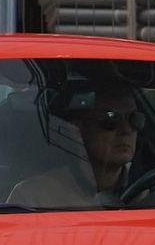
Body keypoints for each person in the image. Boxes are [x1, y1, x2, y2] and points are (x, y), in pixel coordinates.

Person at [8, 78, 146, 208]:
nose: (126, 129)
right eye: (111, 119)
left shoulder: (154, 195)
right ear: (77, 129)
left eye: (134, 119)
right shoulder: (32, 200)